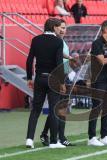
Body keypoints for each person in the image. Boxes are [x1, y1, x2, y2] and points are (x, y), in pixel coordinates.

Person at [26, 18, 66, 149]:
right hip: (53, 79)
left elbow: (29, 60)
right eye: (58, 27)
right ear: (54, 27)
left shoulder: (35, 40)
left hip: (39, 78)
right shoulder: (58, 41)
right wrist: (62, 82)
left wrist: (29, 78)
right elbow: (59, 63)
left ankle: (29, 139)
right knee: (54, 110)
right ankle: (54, 142)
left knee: (35, 110)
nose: (60, 29)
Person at [40, 19, 74, 147]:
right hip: (56, 77)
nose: (63, 30)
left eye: (65, 28)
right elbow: (59, 58)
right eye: (61, 27)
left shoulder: (62, 42)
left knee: (62, 108)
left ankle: (56, 136)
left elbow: (64, 61)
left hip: (64, 76)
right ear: (54, 28)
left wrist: (70, 73)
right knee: (58, 109)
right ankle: (56, 136)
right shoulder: (54, 42)